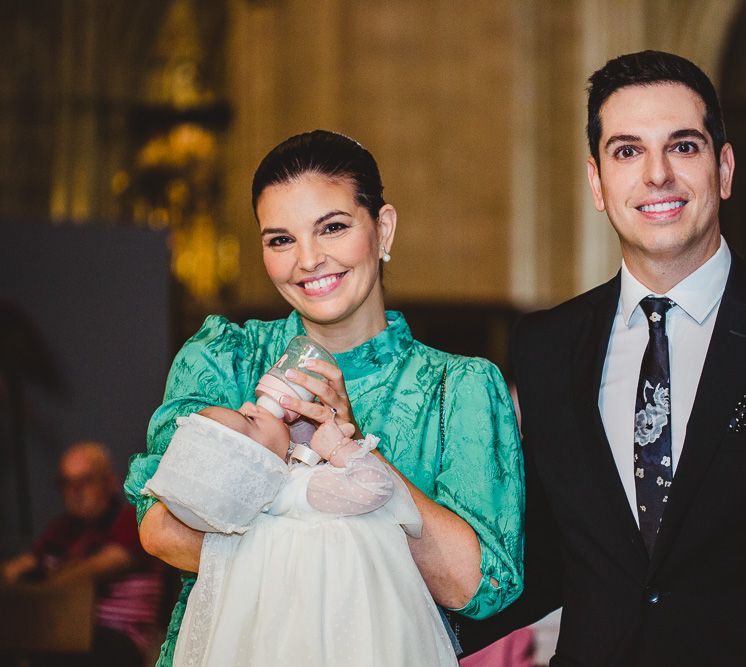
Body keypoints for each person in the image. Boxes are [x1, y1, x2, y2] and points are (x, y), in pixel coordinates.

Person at [462, 50, 746, 665]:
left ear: (724, 169)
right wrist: (398, 622)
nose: (657, 176)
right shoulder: (546, 345)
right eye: (627, 151)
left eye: (682, 146)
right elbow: (541, 558)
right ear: (597, 183)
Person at [124, 130, 523, 666]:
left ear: (382, 229)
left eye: (332, 228)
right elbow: (163, 529)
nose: (309, 260)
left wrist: (358, 452)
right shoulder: (225, 358)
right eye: (280, 240)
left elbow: (476, 585)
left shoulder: (460, 388)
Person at [142, 402, 457, 666]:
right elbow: (376, 486)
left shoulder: (270, 499)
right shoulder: (299, 490)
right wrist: (337, 446)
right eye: (250, 419)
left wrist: (301, 442)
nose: (251, 404)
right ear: (258, 461)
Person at [2, 442, 163, 667]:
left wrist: (44, 575)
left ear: (109, 482)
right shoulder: (61, 529)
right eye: (67, 483)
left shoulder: (129, 522)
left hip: (119, 641)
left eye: (85, 481)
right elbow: (17, 569)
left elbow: (85, 574)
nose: (74, 491)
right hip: (64, 634)